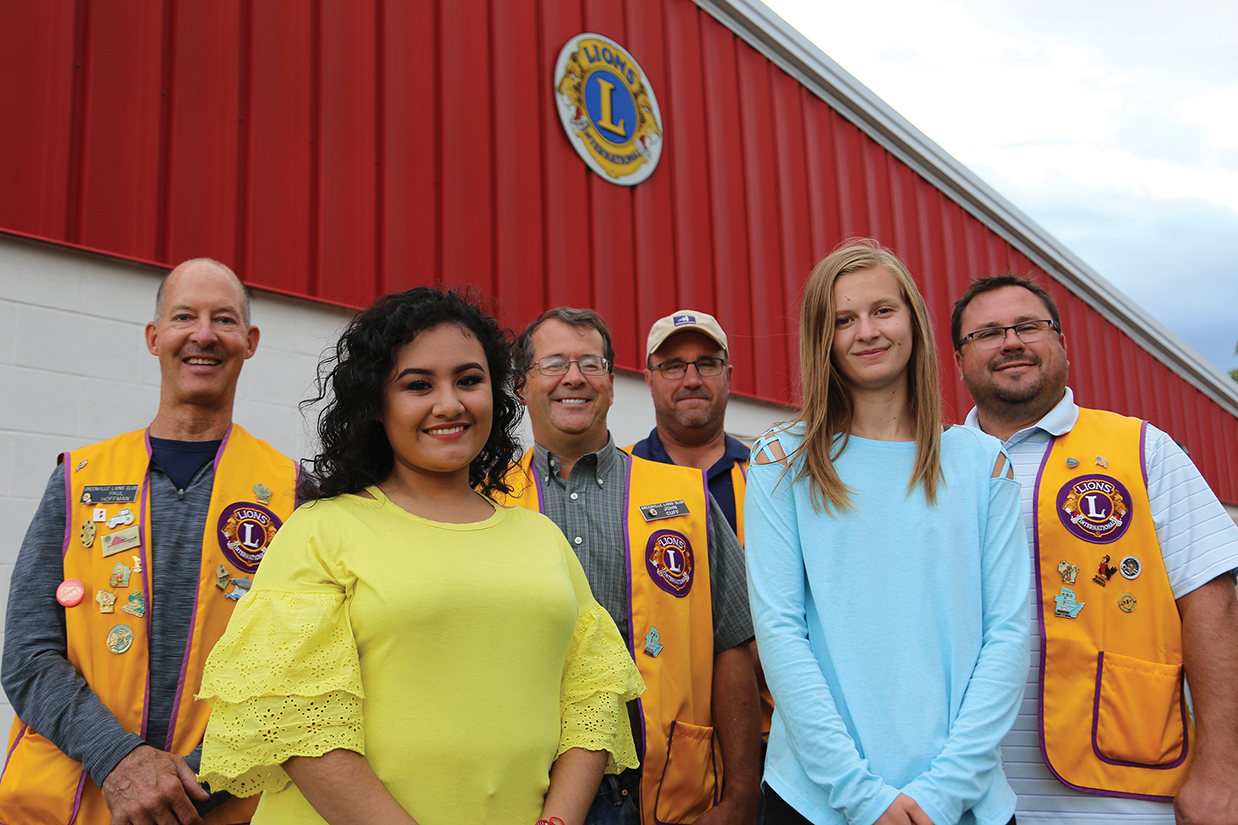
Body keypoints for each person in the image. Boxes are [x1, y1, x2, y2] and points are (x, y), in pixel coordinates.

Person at [195, 287, 644, 825]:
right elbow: (296, 721)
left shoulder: (540, 537)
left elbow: (592, 698)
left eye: (469, 380)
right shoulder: (321, 530)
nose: (450, 403)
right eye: (418, 385)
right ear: (376, 404)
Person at [0, 258, 298, 825]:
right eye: (184, 316)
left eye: (225, 319)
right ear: (154, 336)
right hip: (73, 806)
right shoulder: (77, 479)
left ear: (250, 341)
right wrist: (120, 759)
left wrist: (188, 786)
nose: (204, 335)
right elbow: (27, 655)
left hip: (221, 807)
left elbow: (297, 676)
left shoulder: (292, 494)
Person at [745, 241, 1030, 825]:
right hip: (818, 799)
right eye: (843, 320)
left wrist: (945, 791)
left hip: (963, 800)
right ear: (822, 340)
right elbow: (779, 633)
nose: (866, 332)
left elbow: (1006, 636)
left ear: (914, 320)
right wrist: (861, 794)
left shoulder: (984, 464)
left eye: (882, 311)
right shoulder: (781, 459)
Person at [951, 273, 1238, 824]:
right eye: (986, 333)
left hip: (1122, 793)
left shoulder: (1143, 451)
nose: (1010, 341)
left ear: (1061, 343)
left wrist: (1222, 769)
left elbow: (1214, 607)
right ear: (960, 360)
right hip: (964, 792)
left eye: (1028, 326)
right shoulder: (933, 467)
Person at [499, 308, 761, 825]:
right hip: (525, 788)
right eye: (553, 363)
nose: (574, 377)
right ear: (521, 386)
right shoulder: (484, 499)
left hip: (660, 793)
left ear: (613, 385)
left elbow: (731, 645)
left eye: (590, 364)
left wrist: (739, 798)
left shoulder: (685, 498)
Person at [631, 310, 748, 539]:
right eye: (673, 366)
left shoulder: (766, 475)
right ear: (650, 381)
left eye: (707, 364)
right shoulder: (620, 475)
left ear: (728, 376)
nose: (692, 380)